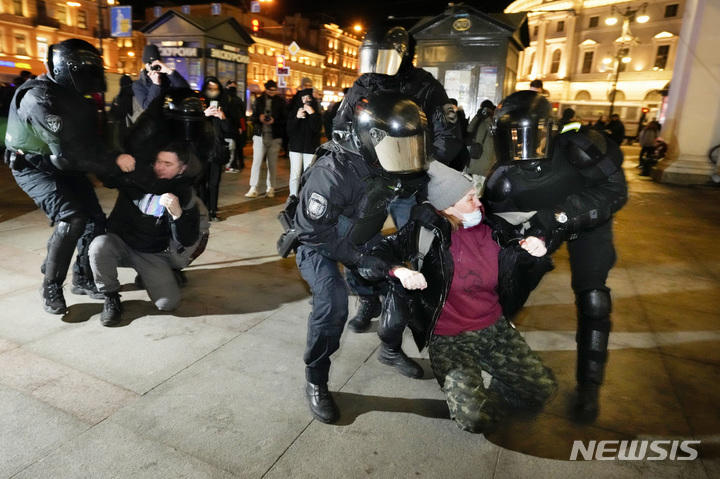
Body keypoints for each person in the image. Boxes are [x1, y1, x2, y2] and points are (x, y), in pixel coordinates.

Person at [358, 161, 557, 433]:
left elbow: (546, 217)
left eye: (476, 193)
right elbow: (374, 253)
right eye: (470, 198)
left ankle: (500, 383)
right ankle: (480, 393)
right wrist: (399, 270)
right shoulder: (425, 233)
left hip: (494, 328)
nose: (479, 202)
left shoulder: (495, 228)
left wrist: (540, 239)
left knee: (543, 390)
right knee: (475, 420)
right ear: (448, 207)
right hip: (450, 339)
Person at [484, 90, 628, 421]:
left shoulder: (580, 146)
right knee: (503, 291)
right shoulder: (502, 180)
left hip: (589, 224)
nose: (523, 148)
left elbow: (615, 192)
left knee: (594, 298)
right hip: (541, 227)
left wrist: (557, 215)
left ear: (551, 128)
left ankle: (589, 387)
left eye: (532, 135)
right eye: (512, 138)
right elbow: (494, 231)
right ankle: (504, 368)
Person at [293, 91, 428, 424]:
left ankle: (390, 348)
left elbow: (424, 182)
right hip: (319, 241)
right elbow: (313, 231)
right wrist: (359, 259)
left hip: (361, 236)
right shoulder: (333, 171)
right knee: (332, 301)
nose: (405, 156)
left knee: (402, 284)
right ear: (373, 138)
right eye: (399, 147)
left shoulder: (393, 157)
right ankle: (316, 379)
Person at [332, 22, 466, 332]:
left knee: (414, 250)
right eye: (372, 57)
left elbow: (448, 136)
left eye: (384, 57)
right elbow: (340, 127)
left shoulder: (426, 86)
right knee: (354, 242)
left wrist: (419, 163)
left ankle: (409, 305)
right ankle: (367, 299)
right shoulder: (362, 85)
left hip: (408, 184)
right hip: (370, 185)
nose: (376, 66)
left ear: (402, 55)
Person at [3, 39, 130, 314]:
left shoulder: (75, 96)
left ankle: (82, 278)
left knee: (96, 219)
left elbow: (91, 143)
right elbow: (64, 156)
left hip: (65, 164)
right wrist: (110, 167)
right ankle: (51, 285)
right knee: (72, 218)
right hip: (34, 167)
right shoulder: (39, 99)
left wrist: (114, 160)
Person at [89, 142, 202, 326]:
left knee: (168, 304)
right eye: (158, 161)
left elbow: (188, 238)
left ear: (182, 168)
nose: (159, 167)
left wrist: (177, 214)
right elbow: (106, 177)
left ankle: (153, 275)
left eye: (167, 164)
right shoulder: (141, 175)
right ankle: (110, 296)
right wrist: (117, 158)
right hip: (121, 244)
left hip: (152, 253)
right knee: (99, 245)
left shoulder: (184, 193)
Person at [198, 77, 232, 221]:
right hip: (201, 149)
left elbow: (230, 130)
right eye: (210, 88)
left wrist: (223, 118)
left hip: (217, 150)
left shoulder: (225, 104)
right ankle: (201, 210)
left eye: (215, 88)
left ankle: (212, 210)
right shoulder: (198, 102)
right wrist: (203, 115)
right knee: (200, 182)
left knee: (214, 181)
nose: (212, 92)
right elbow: (192, 125)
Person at [246, 80, 287, 198]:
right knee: (257, 162)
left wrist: (275, 121)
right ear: (265, 90)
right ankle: (254, 187)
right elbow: (253, 118)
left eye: (274, 90)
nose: (272, 92)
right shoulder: (259, 100)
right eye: (270, 90)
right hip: (260, 135)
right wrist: (259, 118)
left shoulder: (280, 102)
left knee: (272, 163)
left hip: (275, 136)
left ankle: (271, 187)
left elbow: (285, 119)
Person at [287, 81, 322, 197]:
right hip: (296, 147)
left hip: (310, 148)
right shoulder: (294, 112)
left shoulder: (315, 112)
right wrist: (297, 118)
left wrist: (312, 114)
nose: (306, 100)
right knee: (295, 174)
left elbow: (316, 129)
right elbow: (290, 131)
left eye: (308, 97)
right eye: (303, 97)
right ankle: (293, 196)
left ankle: (306, 197)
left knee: (309, 174)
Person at [133, 44, 190, 111]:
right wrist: (156, 85)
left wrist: (169, 72)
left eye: (155, 62)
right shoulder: (139, 84)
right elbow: (148, 108)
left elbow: (186, 91)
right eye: (150, 63)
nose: (153, 66)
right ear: (145, 64)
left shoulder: (168, 78)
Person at [465, 100, 496, 194]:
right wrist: (477, 116)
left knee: (482, 184)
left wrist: (487, 118)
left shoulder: (494, 120)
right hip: (477, 155)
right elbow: (469, 129)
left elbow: (492, 132)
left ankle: (479, 204)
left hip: (486, 155)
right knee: (475, 183)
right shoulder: (481, 119)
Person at [224, 80, 247, 172]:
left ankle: (238, 163)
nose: (233, 87)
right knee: (234, 145)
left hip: (237, 123)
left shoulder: (235, 99)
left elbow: (240, 113)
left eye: (234, 85)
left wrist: (241, 125)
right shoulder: (229, 98)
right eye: (230, 85)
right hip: (233, 124)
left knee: (237, 145)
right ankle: (234, 163)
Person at [108, 74, 135, 149]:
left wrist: (112, 113)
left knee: (121, 146)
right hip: (134, 126)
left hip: (123, 126)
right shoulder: (136, 95)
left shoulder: (123, 97)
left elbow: (118, 115)